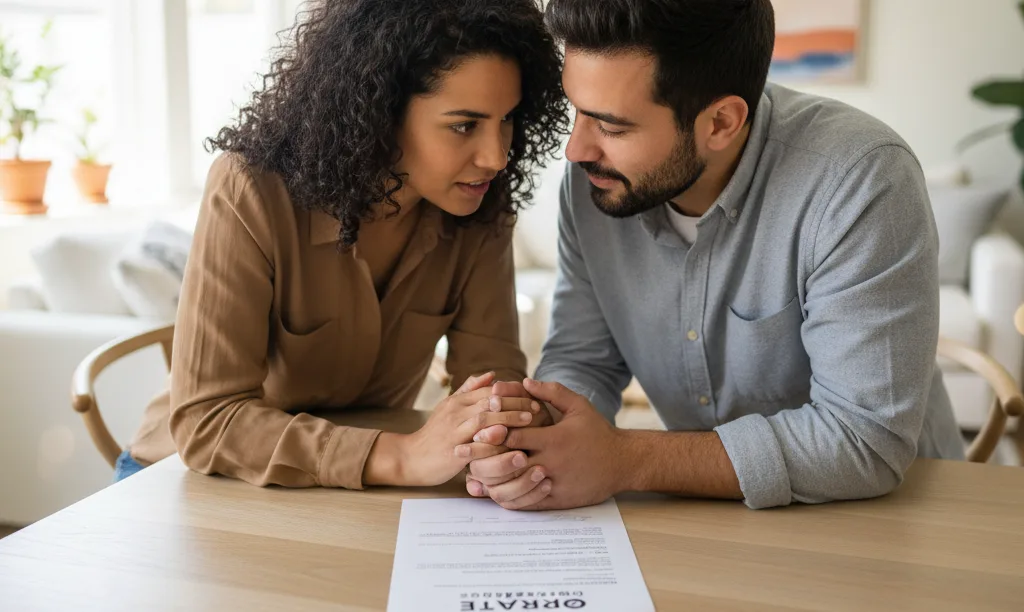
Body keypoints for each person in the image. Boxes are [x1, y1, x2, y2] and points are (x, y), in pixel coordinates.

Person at [467, 0, 965, 510]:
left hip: (890, 519)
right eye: (577, 110)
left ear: (722, 122)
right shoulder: (594, 183)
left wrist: (625, 459)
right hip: (712, 519)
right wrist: (537, 441)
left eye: (612, 127)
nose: (576, 149)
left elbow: (865, 443)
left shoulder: (859, 181)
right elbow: (582, 360)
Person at [114, 0, 569, 489]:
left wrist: (496, 441)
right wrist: (400, 457)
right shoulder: (251, 190)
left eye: (508, 119)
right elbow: (207, 420)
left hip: (349, 491)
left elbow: (490, 379)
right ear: (380, 108)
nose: (497, 156)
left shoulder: (481, 209)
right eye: (464, 126)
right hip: (181, 480)